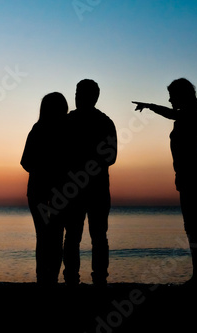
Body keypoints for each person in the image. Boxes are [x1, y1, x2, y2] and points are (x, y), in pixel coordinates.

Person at [133, 78, 197, 287]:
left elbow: (173, 114)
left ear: (181, 96)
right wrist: (151, 107)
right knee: (194, 227)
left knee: (195, 227)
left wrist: (150, 107)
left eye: (172, 95)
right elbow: (173, 115)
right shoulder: (188, 116)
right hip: (189, 177)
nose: (169, 99)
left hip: (193, 178)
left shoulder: (189, 116)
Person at [63, 79, 117, 287]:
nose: (77, 97)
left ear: (93, 97)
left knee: (88, 236)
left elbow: (110, 157)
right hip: (86, 189)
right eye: (77, 92)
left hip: (88, 189)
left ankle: (90, 279)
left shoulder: (100, 122)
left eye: (81, 93)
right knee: (85, 237)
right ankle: (82, 279)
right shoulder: (102, 122)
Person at [20, 92, 69, 286]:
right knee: (56, 236)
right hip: (57, 191)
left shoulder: (38, 128)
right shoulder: (66, 129)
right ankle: (51, 279)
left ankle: (44, 279)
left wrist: (40, 170)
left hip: (40, 190)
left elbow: (25, 161)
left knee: (44, 236)